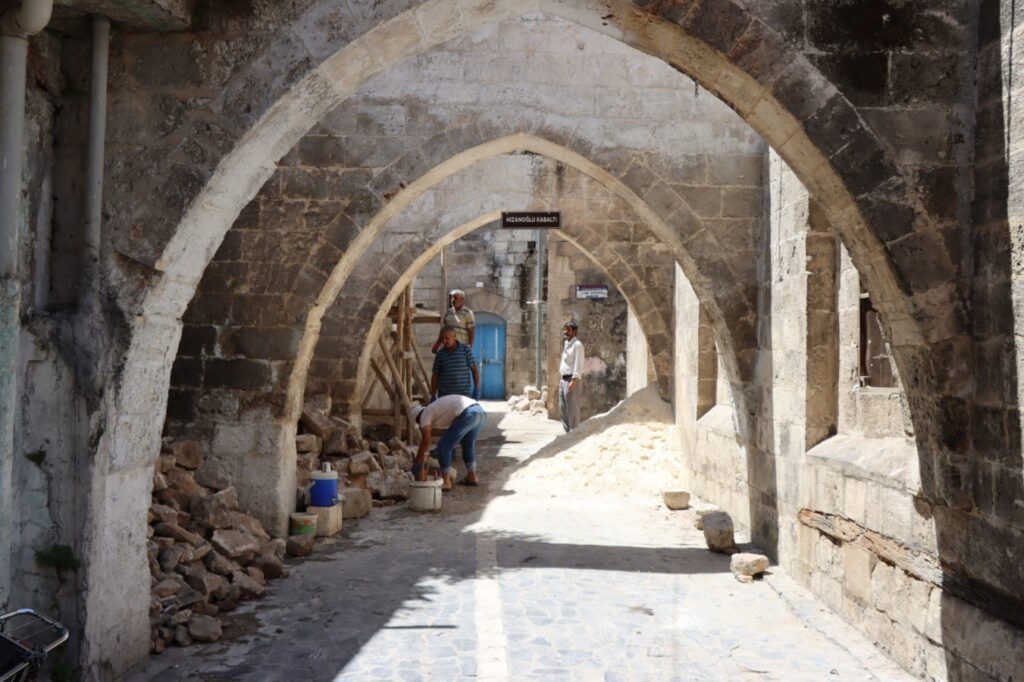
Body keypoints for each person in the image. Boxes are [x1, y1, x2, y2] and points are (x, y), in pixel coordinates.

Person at [411, 395, 487, 490]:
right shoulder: (434, 411)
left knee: (443, 447)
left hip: (468, 413)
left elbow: (426, 442)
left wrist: (419, 465)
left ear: (417, 418)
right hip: (480, 412)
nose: (420, 426)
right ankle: (472, 476)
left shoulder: (424, 415)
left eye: (418, 423)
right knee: (468, 444)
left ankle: (445, 481)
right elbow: (427, 439)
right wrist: (419, 459)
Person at [432, 326, 481, 400]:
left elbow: (474, 370)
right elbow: (435, 375)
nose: (444, 341)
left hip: (464, 397)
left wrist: (477, 388)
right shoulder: (440, 354)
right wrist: (433, 394)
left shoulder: (465, 350)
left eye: (447, 338)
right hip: (445, 397)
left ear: (454, 337)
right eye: (442, 339)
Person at [558, 321, 584, 432]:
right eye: (565, 329)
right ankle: (567, 433)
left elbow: (579, 363)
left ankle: (575, 432)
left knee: (572, 409)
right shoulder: (566, 344)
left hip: (571, 380)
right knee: (563, 408)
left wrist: (574, 380)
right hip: (563, 380)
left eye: (568, 330)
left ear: (574, 332)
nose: (565, 332)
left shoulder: (577, 345)